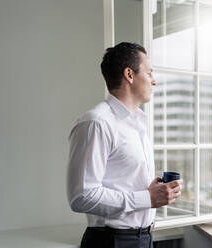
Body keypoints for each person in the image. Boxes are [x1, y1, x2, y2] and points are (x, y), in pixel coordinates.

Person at [66, 42, 182, 248]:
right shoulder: (96, 122)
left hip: (144, 238)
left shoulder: (138, 123)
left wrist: (153, 191)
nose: (154, 81)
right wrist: (146, 198)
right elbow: (82, 197)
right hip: (111, 242)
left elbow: (124, 182)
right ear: (129, 74)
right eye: (149, 73)